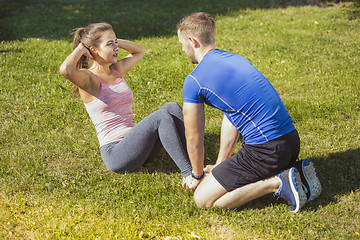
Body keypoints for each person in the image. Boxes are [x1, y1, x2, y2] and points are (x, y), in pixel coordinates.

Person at [177, 12, 321, 212]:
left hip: (266, 151)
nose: (182, 49)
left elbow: (193, 137)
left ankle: (278, 182)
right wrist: (220, 166)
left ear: (192, 41)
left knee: (204, 200)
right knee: (222, 180)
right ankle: (294, 172)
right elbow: (232, 115)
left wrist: (197, 175)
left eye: (182, 44)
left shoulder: (194, 81)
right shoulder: (236, 59)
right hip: (290, 142)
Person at [60, 22, 192, 181]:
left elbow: (139, 51)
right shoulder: (89, 79)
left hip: (138, 148)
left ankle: (196, 158)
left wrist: (115, 41)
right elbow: (66, 70)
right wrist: (82, 48)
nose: (116, 48)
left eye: (115, 43)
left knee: (171, 107)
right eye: (110, 44)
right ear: (93, 50)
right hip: (116, 153)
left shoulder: (116, 70)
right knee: (162, 117)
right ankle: (189, 173)